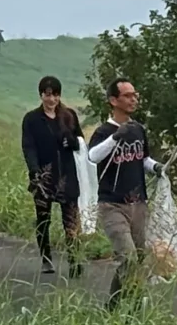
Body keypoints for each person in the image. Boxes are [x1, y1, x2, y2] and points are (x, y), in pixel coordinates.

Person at [87, 78, 167, 310]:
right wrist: (115, 137)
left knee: (137, 259)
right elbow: (93, 156)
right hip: (112, 203)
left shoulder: (138, 129)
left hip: (138, 203)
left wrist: (157, 168)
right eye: (127, 95)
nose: (133, 99)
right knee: (128, 256)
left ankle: (118, 305)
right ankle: (125, 306)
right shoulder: (105, 131)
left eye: (135, 94)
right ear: (113, 100)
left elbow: (142, 159)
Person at [20, 75, 84, 277]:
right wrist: (34, 170)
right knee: (43, 219)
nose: (52, 100)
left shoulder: (69, 116)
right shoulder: (31, 119)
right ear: (41, 95)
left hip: (67, 175)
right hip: (44, 176)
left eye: (55, 95)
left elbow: (81, 142)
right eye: (48, 95)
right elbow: (28, 146)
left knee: (71, 221)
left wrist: (70, 141)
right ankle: (46, 258)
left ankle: (74, 260)